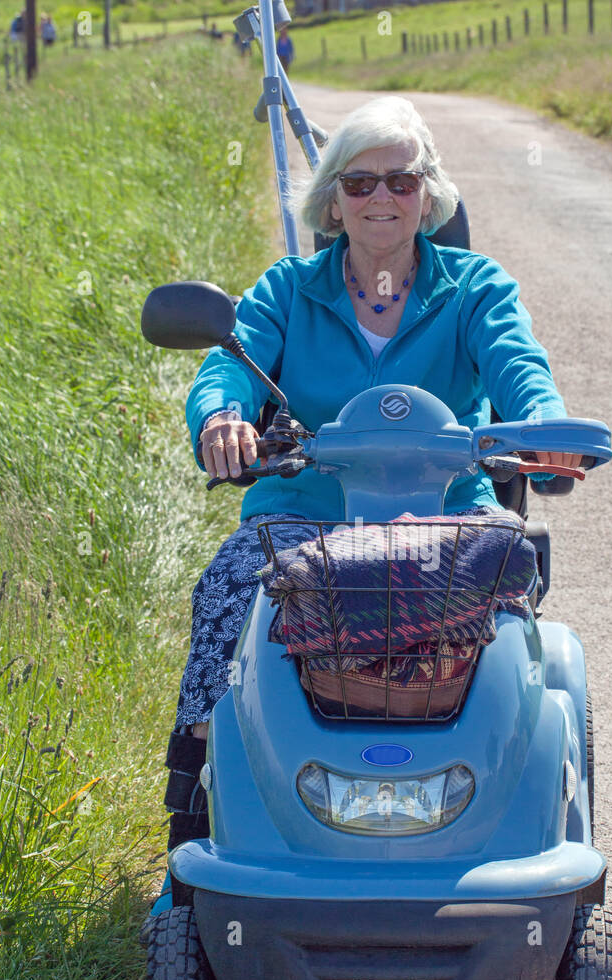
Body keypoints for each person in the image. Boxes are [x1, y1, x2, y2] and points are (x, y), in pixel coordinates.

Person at [160, 96, 582, 865]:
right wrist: (224, 416)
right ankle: (194, 831)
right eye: (360, 185)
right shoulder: (289, 289)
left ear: (430, 193)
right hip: (304, 519)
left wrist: (543, 429)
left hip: (448, 519)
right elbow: (230, 359)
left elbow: (521, 368)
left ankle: (516, 821)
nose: (382, 198)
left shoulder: (475, 287)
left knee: (511, 623)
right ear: (332, 200)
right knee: (224, 596)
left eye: (401, 180)